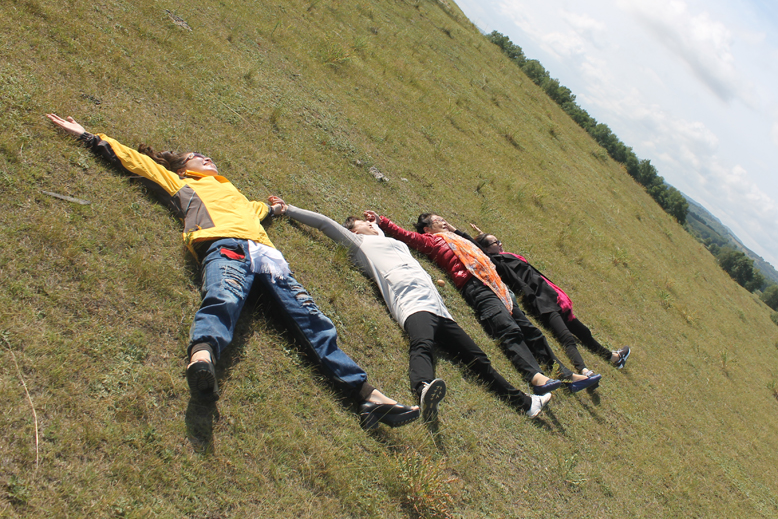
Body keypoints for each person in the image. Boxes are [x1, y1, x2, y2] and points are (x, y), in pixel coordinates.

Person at [47, 113, 417, 430]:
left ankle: (369, 396)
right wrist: (87, 136)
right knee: (222, 298)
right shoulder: (182, 184)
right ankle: (202, 359)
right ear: (181, 168)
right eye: (197, 157)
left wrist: (275, 209)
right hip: (223, 246)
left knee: (313, 320)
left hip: (268, 259)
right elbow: (135, 161)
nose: (206, 158)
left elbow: (257, 210)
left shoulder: (235, 194)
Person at [266, 199, 553, 420]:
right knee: (422, 344)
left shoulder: (393, 244)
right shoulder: (360, 244)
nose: (369, 225)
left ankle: (526, 403)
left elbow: (409, 239)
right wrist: (287, 209)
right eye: (363, 224)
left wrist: (383, 223)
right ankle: (424, 387)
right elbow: (325, 224)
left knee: (479, 360)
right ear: (354, 231)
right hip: (412, 304)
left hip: (441, 310)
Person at [370, 211, 602, 395]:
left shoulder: (460, 239)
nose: (444, 221)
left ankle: (566, 375)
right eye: (438, 220)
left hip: (499, 287)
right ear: (427, 228)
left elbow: (480, 249)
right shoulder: (432, 242)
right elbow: (407, 236)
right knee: (508, 330)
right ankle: (537, 378)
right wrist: (383, 222)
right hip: (475, 287)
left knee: (532, 331)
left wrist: (456, 230)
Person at [470, 228, 630, 374]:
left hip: (551, 295)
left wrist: (483, 235)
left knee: (583, 331)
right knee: (565, 336)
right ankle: (584, 371)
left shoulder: (507, 256)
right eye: (496, 242)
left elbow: (491, 247)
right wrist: (456, 231)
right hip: (540, 300)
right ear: (487, 249)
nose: (500, 243)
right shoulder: (498, 263)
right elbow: (485, 252)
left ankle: (613, 358)